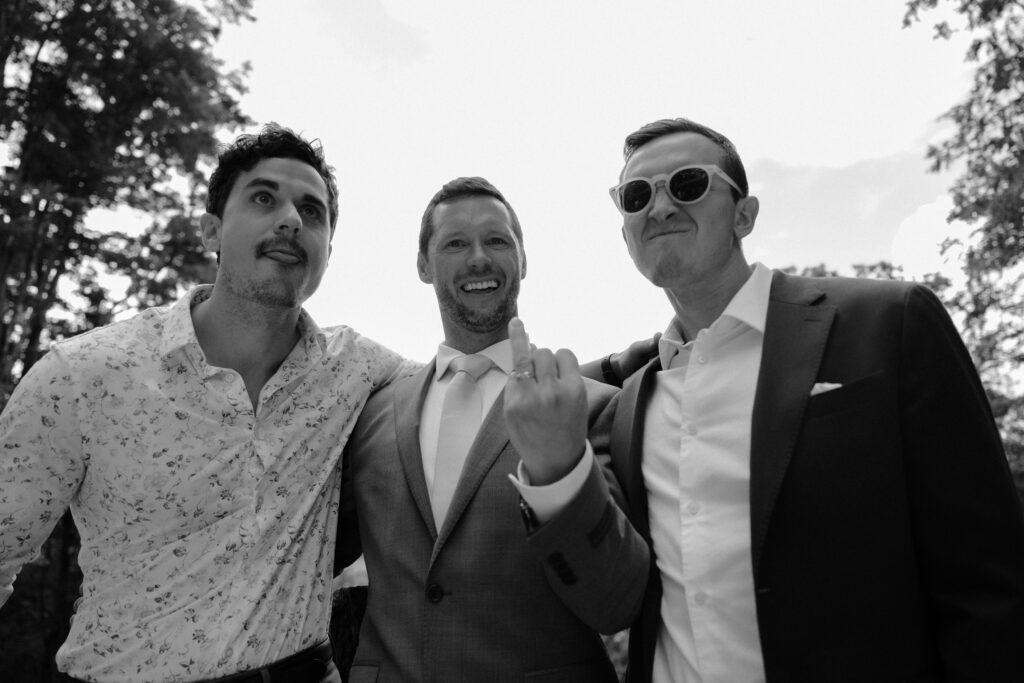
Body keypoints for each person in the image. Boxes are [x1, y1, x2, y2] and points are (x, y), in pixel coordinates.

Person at [600, 117, 1024, 682]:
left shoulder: (891, 323)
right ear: (625, 233)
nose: (659, 208)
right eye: (636, 196)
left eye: (687, 184)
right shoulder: (630, 397)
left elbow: (988, 582)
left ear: (744, 215)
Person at [0, 124, 408, 683]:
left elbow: (467, 384)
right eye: (263, 198)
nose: (291, 219)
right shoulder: (84, 373)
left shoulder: (358, 369)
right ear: (211, 228)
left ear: (327, 253)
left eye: (312, 211)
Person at [337, 176, 649, 682]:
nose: (478, 258)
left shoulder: (594, 407)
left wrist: (560, 470)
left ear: (523, 260)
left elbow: (617, 603)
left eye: (497, 240)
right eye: (455, 243)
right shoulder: (371, 413)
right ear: (423, 266)